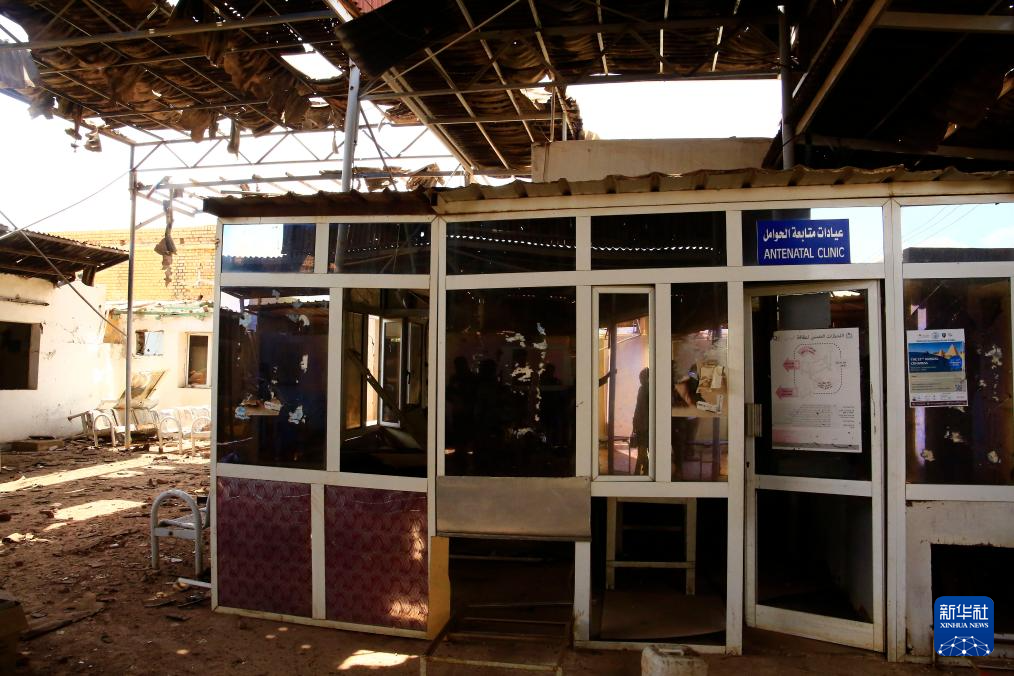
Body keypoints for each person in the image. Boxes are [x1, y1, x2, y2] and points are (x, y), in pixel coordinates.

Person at [631, 367, 650, 475]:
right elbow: (638, 407)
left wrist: (635, 422)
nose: (640, 380)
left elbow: (639, 408)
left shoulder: (644, 389)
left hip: (643, 426)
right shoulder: (644, 389)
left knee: (642, 450)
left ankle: (643, 470)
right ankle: (640, 470)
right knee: (642, 450)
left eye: (641, 377)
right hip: (644, 425)